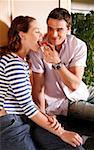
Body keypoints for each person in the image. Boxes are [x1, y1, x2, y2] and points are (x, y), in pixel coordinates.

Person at [0, 16, 84, 150]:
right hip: (9, 123)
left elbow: (26, 103)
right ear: (22, 35)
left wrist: (46, 116)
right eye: (37, 31)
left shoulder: (22, 62)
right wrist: (61, 132)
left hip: (24, 118)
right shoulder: (13, 63)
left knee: (73, 146)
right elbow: (28, 106)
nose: (42, 35)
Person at [30, 7, 94, 122]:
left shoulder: (78, 45)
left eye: (59, 29)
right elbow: (38, 87)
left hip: (83, 91)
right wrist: (42, 115)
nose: (53, 35)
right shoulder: (37, 49)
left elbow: (75, 84)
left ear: (68, 29)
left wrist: (57, 62)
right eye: (50, 28)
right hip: (62, 102)